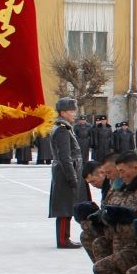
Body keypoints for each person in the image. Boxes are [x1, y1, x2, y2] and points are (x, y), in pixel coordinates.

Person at [48, 96, 90, 249]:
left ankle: (65, 237)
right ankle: (63, 240)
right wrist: (72, 177)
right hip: (66, 172)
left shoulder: (64, 127)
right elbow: (65, 157)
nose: (74, 114)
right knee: (65, 208)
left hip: (67, 170)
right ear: (63, 112)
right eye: (71, 111)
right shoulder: (62, 130)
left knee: (68, 206)